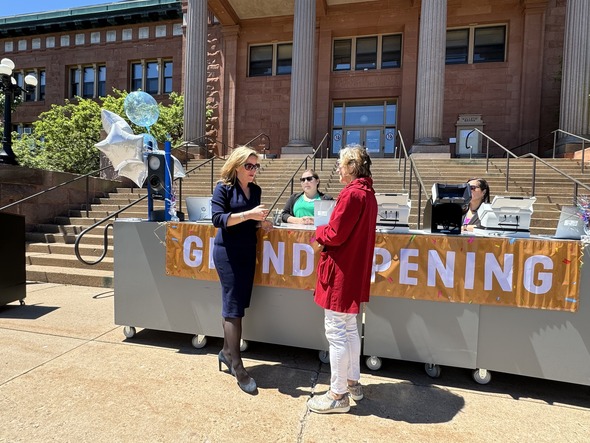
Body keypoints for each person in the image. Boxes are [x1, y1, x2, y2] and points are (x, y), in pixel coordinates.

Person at [307, 145, 378, 414]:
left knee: (337, 331)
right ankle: (352, 382)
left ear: (351, 167)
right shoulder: (368, 194)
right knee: (349, 328)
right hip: (353, 268)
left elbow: (335, 233)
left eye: (340, 163)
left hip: (342, 270)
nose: (338, 168)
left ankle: (338, 394)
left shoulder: (352, 194)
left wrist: (318, 235)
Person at [211, 146, 272, 394]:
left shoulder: (255, 190)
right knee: (233, 308)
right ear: (236, 166)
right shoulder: (223, 187)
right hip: (227, 253)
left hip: (248, 252)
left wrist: (262, 223)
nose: (253, 170)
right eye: (249, 165)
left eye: (256, 166)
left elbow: (251, 223)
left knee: (239, 303)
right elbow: (218, 219)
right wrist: (249, 215)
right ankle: (237, 365)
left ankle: (226, 352)